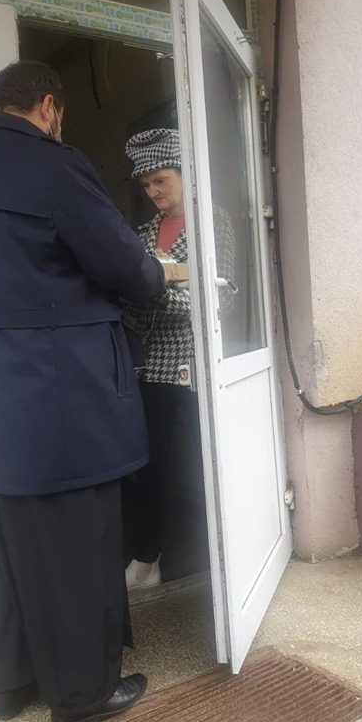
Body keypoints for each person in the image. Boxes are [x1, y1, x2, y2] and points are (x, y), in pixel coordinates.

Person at [0, 61, 166, 722]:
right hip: (58, 395)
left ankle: (13, 685)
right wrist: (156, 277)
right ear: (48, 106)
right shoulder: (55, 166)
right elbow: (125, 266)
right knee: (77, 541)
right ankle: (82, 696)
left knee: (2, 541)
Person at [124, 128, 235, 590]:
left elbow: (222, 297)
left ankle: (234, 559)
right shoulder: (142, 233)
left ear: (185, 173)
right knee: (151, 466)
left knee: (212, 462)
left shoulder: (213, 222)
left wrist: (161, 292)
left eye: (160, 180)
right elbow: (134, 297)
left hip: (194, 365)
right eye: (146, 184)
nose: (153, 191)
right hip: (151, 366)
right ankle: (147, 561)